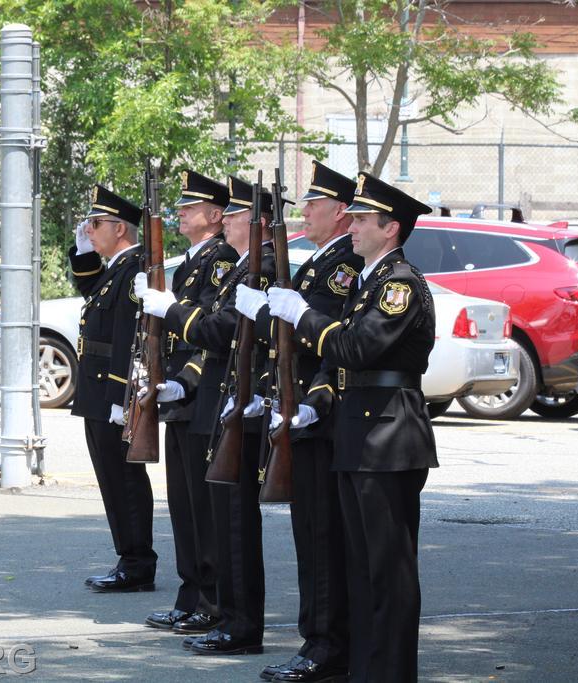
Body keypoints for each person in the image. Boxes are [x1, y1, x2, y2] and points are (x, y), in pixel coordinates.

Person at [266, 172, 439, 682]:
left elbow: (357, 348)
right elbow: (342, 358)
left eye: (363, 220)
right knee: (360, 571)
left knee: (388, 573)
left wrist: (303, 317)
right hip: (358, 433)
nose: (354, 226)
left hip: (388, 436)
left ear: (391, 229)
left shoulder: (399, 285)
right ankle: (365, 669)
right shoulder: (369, 283)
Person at [136, 174, 277, 655]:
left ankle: (223, 611)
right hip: (205, 396)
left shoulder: (238, 264)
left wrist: (187, 374)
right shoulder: (234, 265)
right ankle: (205, 601)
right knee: (193, 509)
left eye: (236, 214)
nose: (229, 222)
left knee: (223, 519)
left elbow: (216, 332)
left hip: (217, 397)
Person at [234, 161, 363, 682]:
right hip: (295, 410)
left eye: (314, 204)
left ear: (340, 213)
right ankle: (318, 639)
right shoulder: (316, 263)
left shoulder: (341, 268)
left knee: (321, 536)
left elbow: (317, 338)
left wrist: (265, 315)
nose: (305, 211)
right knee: (309, 536)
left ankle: (327, 647)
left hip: (320, 414)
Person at [142, 170, 237, 635]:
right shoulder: (188, 263)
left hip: (200, 395)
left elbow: (211, 337)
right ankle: (190, 593)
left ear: (215, 216)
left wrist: (186, 381)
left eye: (190, 206)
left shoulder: (221, 262)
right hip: (178, 396)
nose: (180, 212)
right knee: (181, 503)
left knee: (202, 504)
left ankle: (211, 599)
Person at [70, 184, 157, 593]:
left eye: (96, 224)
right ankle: (129, 556)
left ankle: (137, 562)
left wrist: (122, 398)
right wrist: (84, 252)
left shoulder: (135, 267)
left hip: (111, 393)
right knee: (110, 475)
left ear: (119, 228)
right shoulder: (117, 267)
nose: (90, 229)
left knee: (123, 477)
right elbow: (93, 292)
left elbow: (128, 336)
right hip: (97, 390)